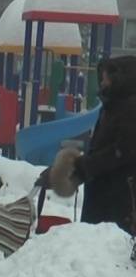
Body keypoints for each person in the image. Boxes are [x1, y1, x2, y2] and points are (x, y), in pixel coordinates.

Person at [50, 55, 136, 232]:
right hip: (104, 192)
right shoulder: (111, 106)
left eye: (106, 77)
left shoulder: (130, 108)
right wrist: (79, 169)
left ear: (121, 78)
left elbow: (122, 151)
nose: (102, 82)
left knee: (109, 247)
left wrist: (86, 166)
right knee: (95, 244)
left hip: (119, 197)